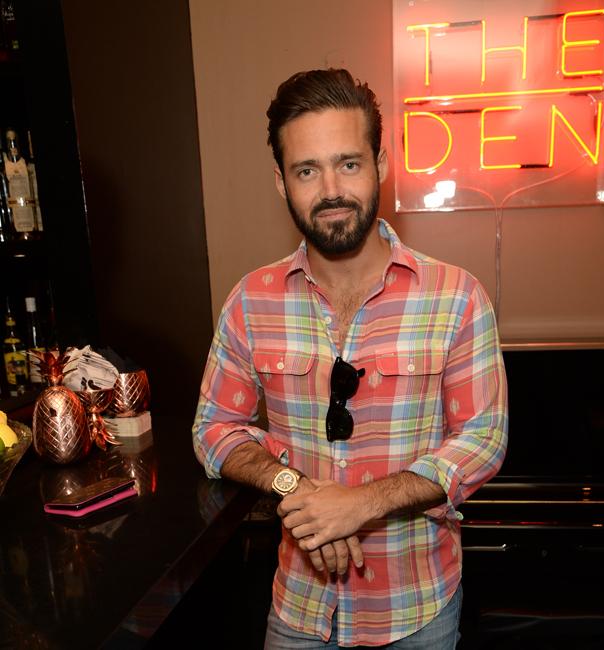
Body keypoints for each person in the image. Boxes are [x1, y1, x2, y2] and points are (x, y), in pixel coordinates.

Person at [192, 68, 508, 649]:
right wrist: (294, 487)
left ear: (380, 164)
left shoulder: (457, 297)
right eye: (306, 170)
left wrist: (359, 504)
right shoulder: (250, 301)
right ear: (281, 182)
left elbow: (483, 439)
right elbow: (214, 429)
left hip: (417, 612)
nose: (331, 189)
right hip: (298, 609)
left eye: (349, 163)